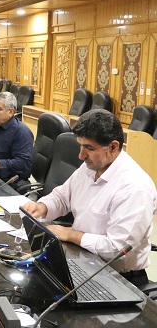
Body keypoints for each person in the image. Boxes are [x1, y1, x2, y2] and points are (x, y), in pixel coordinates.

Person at [22, 109, 157, 286]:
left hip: (119, 278)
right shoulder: (92, 166)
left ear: (113, 147)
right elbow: (62, 197)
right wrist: (43, 207)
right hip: (83, 260)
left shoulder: (134, 188)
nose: (81, 155)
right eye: (80, 146)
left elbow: (116, 249)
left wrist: (71, 234)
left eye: (89, 148)